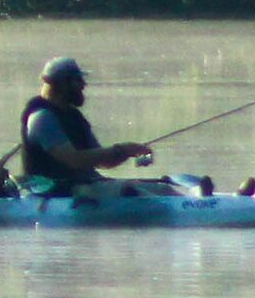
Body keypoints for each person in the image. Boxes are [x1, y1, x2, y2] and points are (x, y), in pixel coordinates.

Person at [18, 56, 155, 196]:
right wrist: (121, 149)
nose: (83, 85)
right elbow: (74, 159)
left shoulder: (74, 116)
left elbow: (102, 162)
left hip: (84, 185)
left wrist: (127, 152)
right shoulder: (42, 118)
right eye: (78, 80)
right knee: (130, 191)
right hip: (53, 191)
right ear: (61, 84)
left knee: (162, 189)